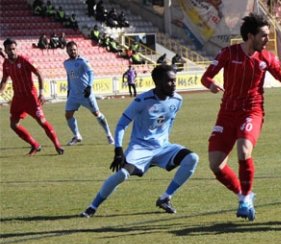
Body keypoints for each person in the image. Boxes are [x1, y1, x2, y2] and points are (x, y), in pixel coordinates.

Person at [201, 13, 281, 221]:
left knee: (244, 150)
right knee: (215, 165)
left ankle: (244, 199)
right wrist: (211, 84)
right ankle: (245, 195)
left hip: (252, 111)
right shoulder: (228, 53)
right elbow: (205, 76)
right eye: (263, 35)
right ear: (251, 36)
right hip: (226, 113)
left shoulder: (268, 58)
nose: (267, 40)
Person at [80, 65, 199, 218]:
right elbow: (122, 124)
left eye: (175, 80)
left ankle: (165, 198)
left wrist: (164, 141)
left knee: (192, 158)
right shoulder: (142, 100)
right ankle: (92, 207)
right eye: (169, 81)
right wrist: (118, 149)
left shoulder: (177, 99)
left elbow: (169, 121)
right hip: (140, 148)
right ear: (158, 82)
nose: (174, 84)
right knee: (122, 174)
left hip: (163, 147)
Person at [0, 38, 64, 155]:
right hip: (18, 98)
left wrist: (41, 92)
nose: (12, 51)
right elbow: (4, 80)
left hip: (31, 97)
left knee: (42, 122)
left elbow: (39, 74)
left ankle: (57, 145)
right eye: (9, 49)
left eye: (14, 49)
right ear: (5, 50)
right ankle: (35, 145)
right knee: (13, 125)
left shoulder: (24, 60)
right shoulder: (6, 64)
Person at [63, 41, 114, 146]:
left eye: (74, 49)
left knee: (97, 114)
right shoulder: (66, 63)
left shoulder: (83, 61)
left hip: (85, 93)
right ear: (67, 51)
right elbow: (69, 76)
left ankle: (109, 135)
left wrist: (89, 86)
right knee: (68, 115)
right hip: (73, 94)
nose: (73, 51)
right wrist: (68, 90)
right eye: (70, 50)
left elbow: (91, 73)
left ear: (77, 49)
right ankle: (77, 136)